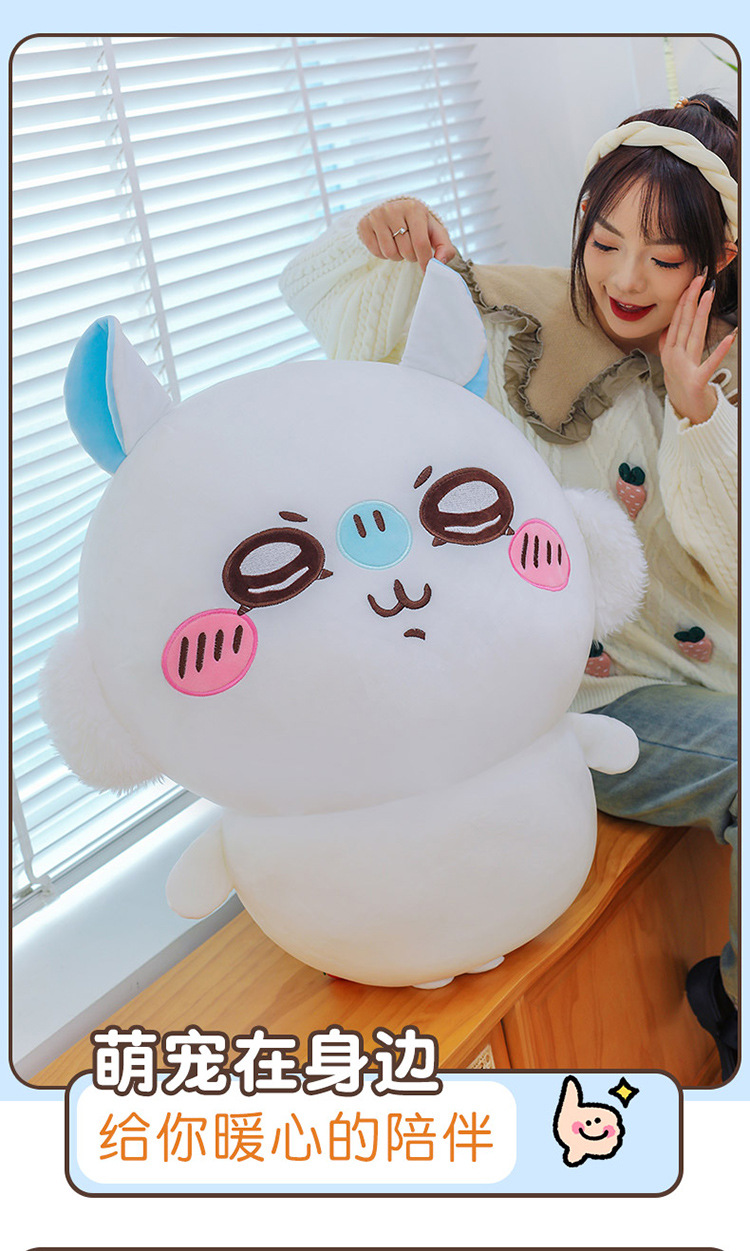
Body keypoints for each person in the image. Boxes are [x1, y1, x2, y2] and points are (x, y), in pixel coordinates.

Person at [279, 94, 739, 1079]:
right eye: (604, 241)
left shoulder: (726, 374)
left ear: (718, 261)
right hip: (589, 698)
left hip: (715, 682)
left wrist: (700, 418)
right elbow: (356, 346)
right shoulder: (514, 318)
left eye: (663, 260)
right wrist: (380, 239)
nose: (624, 278)